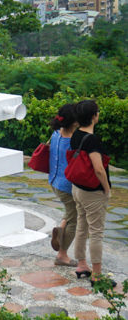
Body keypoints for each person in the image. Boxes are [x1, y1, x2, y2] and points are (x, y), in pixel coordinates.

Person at [70, 100, 112, 282]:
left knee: (82, 226)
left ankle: (81, 264)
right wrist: (107, 190)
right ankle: (97, 274)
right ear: (94, 116)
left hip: (77, 188)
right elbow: (98, 169)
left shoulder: (76, 134)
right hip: (92, 192)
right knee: (96, 232)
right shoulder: (92, 140)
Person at [47, 103, 79, 267]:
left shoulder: (55, 134)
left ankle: (60, 229)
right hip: (67, 185)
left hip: (54, 180)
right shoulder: (74, 141)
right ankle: (62, 255)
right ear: (74, 122)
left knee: (70, 210)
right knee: (75, 219)